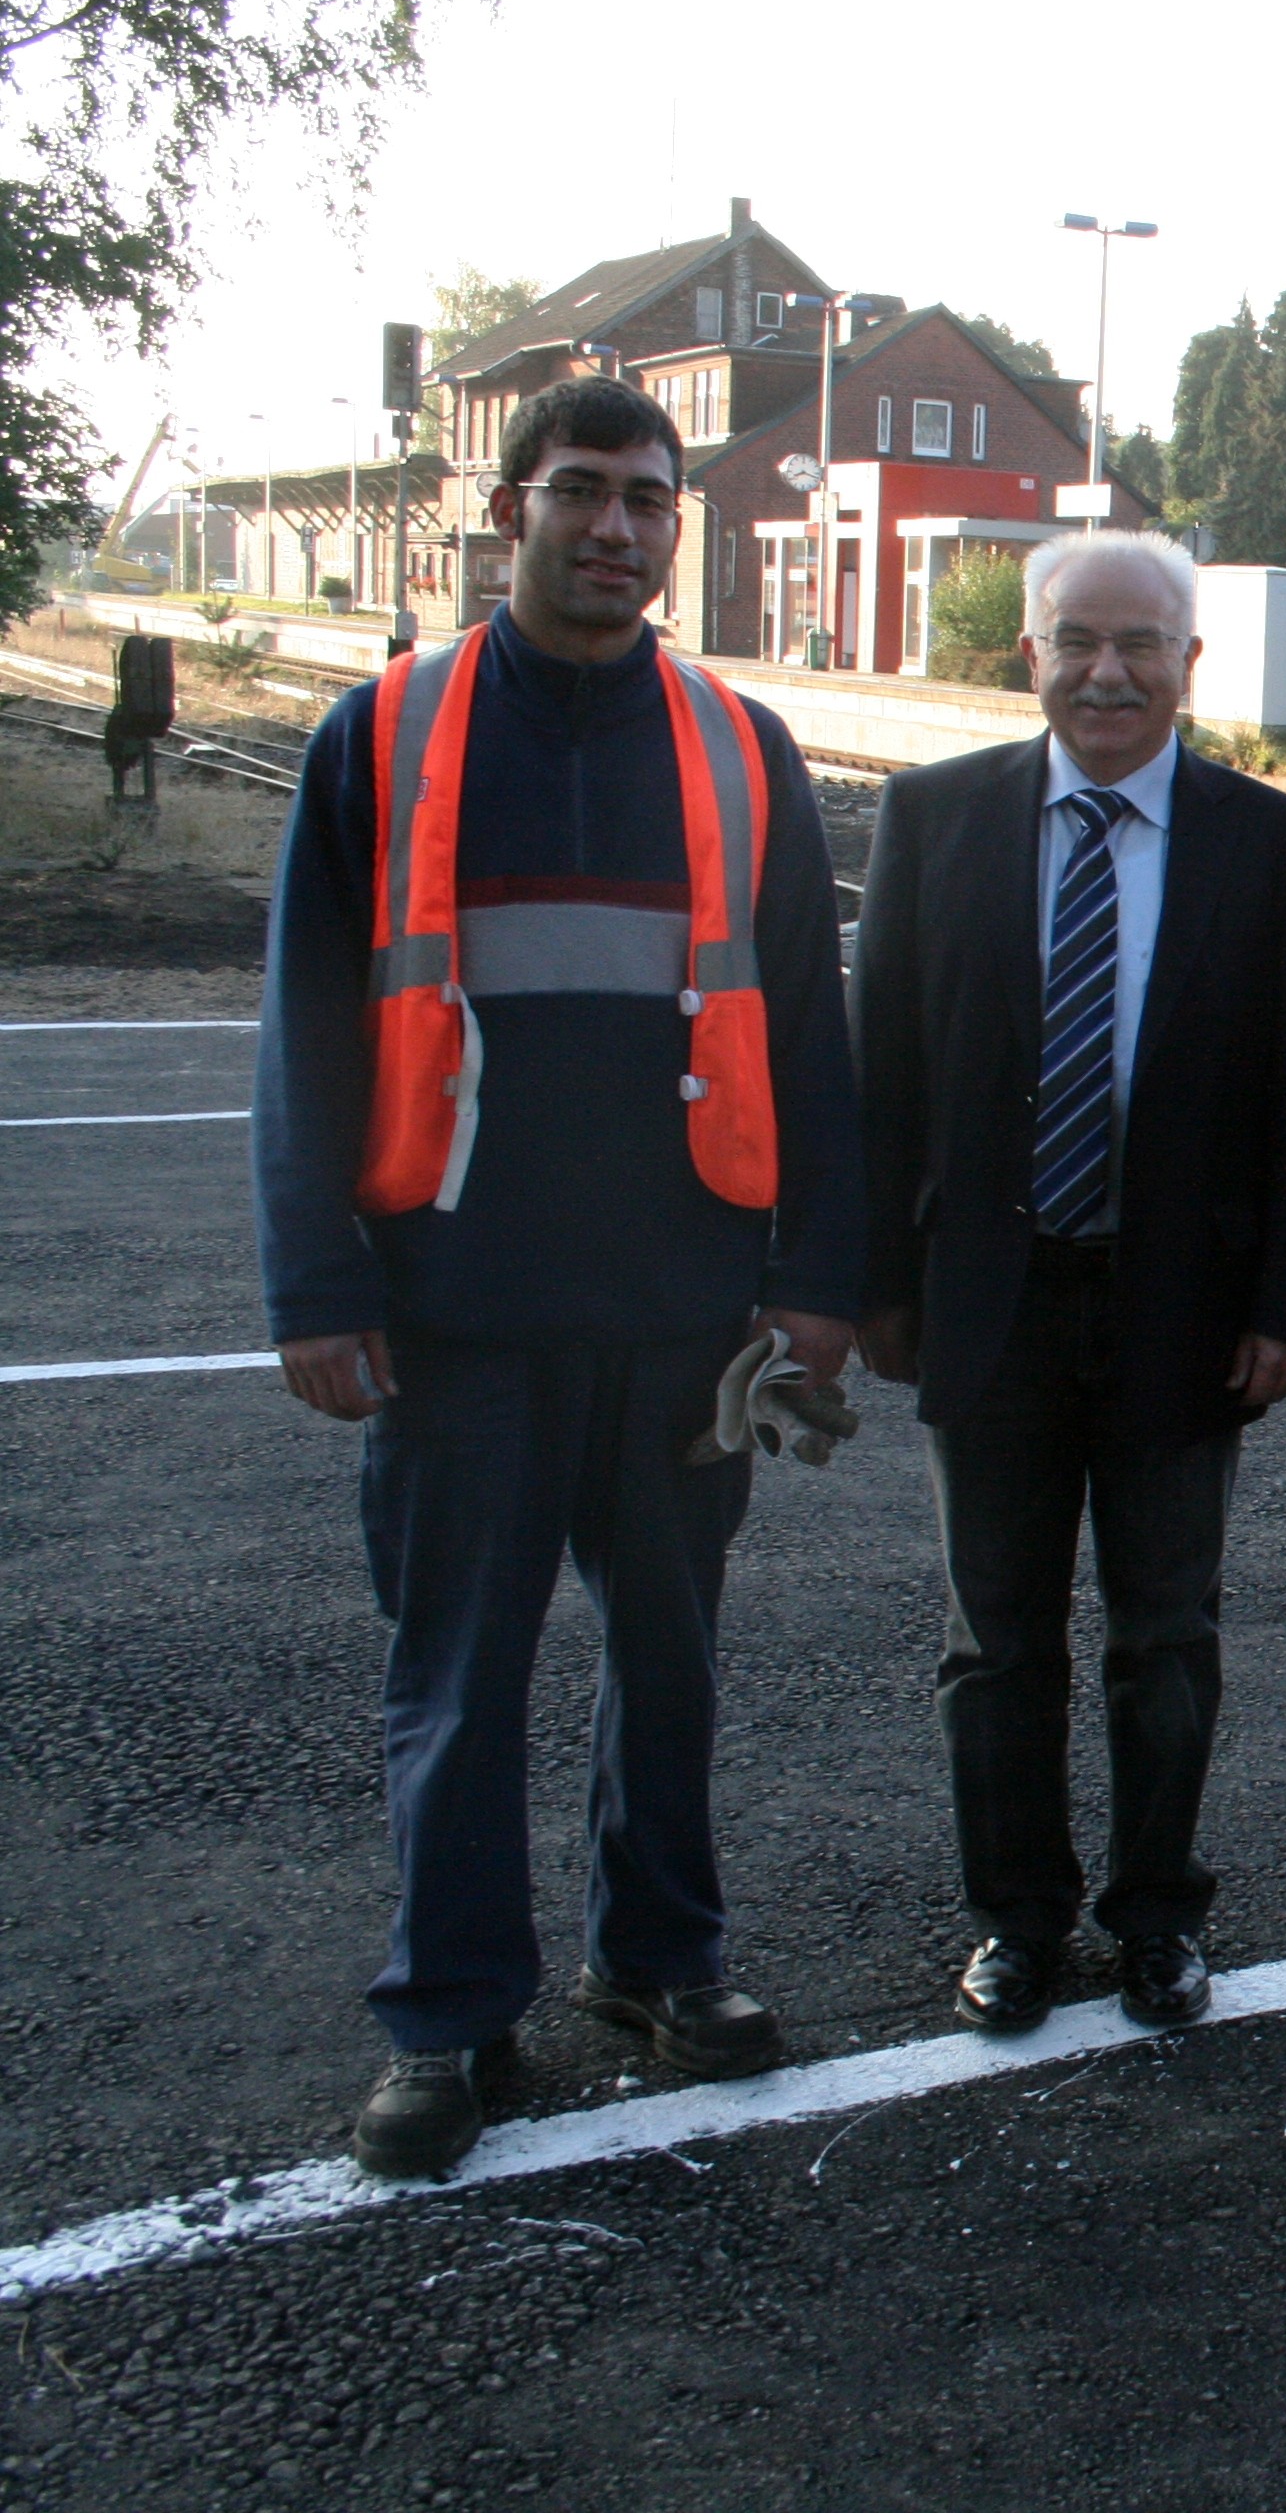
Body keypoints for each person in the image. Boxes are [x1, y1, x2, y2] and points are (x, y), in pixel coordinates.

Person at [252, 375, 864, 2179]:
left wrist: (816, 1274)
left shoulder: (740, 749)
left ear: (682, 529)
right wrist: (314, 1281)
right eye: (581, 493)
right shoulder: (386, 738)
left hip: (686, 1317)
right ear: (507, 507)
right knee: (459, 1675)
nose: (615, 529)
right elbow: (305, 1026)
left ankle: (659, 1962)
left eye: (649, 501)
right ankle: (449, 2021)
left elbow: (811, 1037)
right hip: (457, 1315)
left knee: (667, 1664)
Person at [849, 530, 1286, 2037]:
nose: (1108, 671)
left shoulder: (1274, 851)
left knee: (1165, 1636)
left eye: (1142, 644)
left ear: (1191, 667)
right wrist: (876, 1281)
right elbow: (884, 1071)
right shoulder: (935, 821)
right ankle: (1014, 1921)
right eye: (1078, 640)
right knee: (993, 1641)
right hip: (987, 1304)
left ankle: (1155, 1916)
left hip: (1180, 1313)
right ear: (1030, 654)